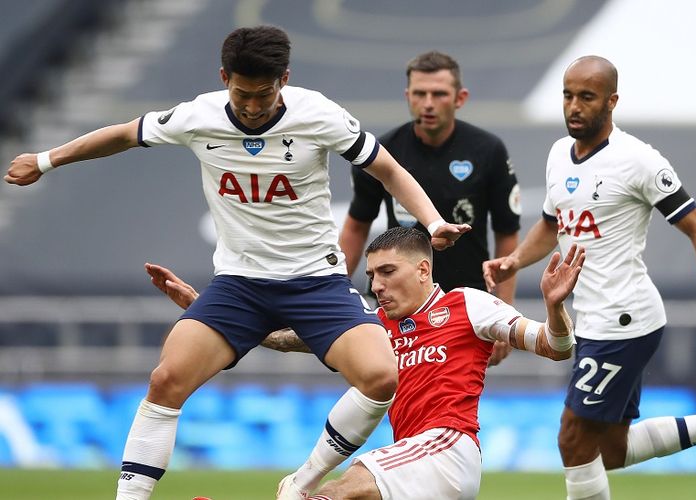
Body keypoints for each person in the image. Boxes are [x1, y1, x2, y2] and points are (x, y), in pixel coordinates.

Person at [4, 26, 471, 500]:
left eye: (264, 94)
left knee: (381, 376)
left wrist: (431, 223)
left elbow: (387, 168)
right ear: (224, 77)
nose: (251, 106)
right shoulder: (198, 116)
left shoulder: (319, 116)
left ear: (283, 80)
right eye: (242, 93)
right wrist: (45, 160)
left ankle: (301, 484)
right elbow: (125, 134)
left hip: (316, 281)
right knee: (166, 379)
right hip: (239, 285)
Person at [146, 226, 585, 500]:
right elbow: (285, 339)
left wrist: (553, 307)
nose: (376, 285)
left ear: (423, 271)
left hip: (446, 450)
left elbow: (554, 346)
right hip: (407, 459)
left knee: (343, 486)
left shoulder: (466, 305)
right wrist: (210, 314)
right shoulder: (372, 328)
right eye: (372, 275)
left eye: (387, 272)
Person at [483, 55, 696, 500]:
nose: (574, 106)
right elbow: (552, 225)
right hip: (591, 320)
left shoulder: (638, 160)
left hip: (623, 319)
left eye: (586, 97)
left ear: (611, 101)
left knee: (571, 439)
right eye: (568, 96)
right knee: (605, 450)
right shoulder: (556, 156)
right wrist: (515, 261)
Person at [337, 51, 521, 365]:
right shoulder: (383, 153)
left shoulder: (488, 150)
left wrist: (504, 310)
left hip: (465, 302)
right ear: (408, 97)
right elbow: (356, 226)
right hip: (397, 300)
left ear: (460, 98)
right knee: (389, 393)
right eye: (420, 94)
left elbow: (507, 233)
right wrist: (336, 295)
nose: (428, 103)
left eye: (439, 94)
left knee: (453, 398)